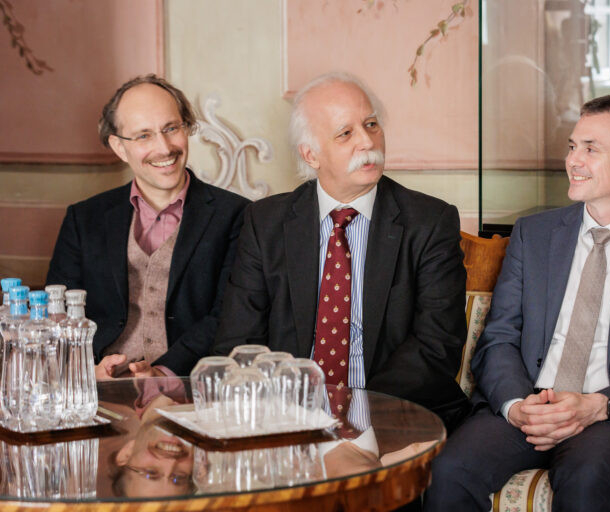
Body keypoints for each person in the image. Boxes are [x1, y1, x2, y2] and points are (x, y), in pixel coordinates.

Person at [424, 95, 610, 512]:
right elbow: (499, 337)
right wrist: (516, 406)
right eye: (573, 146)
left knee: (584, 483)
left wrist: (599, 405)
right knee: (448, 471)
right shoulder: (534, 234)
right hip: (527, 404)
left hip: (604, 416)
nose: (573, 160)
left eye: (591, 149)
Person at [214, 72, 469, 432]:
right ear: (311, 155)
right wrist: (289, 418)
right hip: (288, 417)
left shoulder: (429, 222)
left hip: (393, 414)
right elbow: (239, 342)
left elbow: (437, 347)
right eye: (345, 133)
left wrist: (354, 415)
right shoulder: (265, 223)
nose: (367, 141)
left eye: (371, 125)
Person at [47, 75, 249, 378]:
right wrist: (87, 370)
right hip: (99, 386)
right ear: (119, 147)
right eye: (143, 136)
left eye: (171, 128)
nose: (164, 147)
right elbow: (58, 314)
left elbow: (229, 315)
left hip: (190, 387)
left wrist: (166, 372)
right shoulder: (84, 218)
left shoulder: (237, 215)